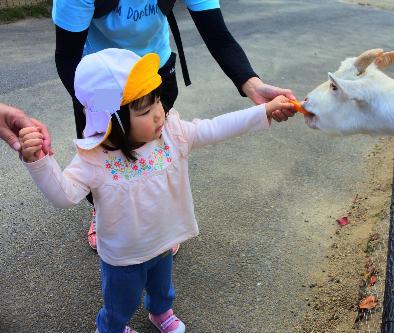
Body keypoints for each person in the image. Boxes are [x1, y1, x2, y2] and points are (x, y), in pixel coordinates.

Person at [19, 48, 296, 333]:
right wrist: (39, 161)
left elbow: (217, 128)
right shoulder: (94, 159)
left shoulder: (172, 135)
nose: (159, 114)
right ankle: (110, 327)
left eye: (158, 102)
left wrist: (263, 110)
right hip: (123, 256)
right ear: (113, 119)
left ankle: (160, 312)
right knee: (120, 302)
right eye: (145, 110)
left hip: (164, 240)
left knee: (162, 288)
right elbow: (64, 196)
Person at [53, 0, 296, 250]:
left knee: (156, 153)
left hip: (153, 70)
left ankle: (158, 221)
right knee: (107, 155)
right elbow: (67, 56)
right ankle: (104, 212)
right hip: (101, 85)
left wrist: (253, 86)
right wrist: (104, 111)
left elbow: (218, 36)